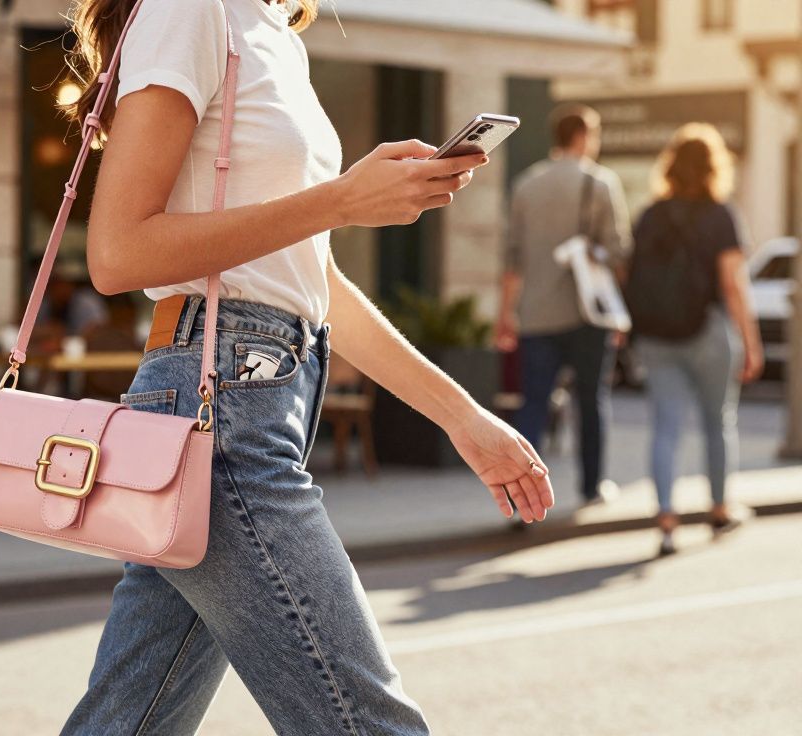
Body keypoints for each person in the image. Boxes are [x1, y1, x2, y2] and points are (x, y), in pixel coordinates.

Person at [57, 1, 554, 733]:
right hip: (219, 404)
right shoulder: (192, 9)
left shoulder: (273, 33)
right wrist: (343, 200)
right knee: (368, 722)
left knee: (131, 722)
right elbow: (118, 252)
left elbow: (312, 285)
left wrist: (464, 417)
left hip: (258, 392)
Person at [626, 124, 763, 556]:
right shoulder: (720, 214)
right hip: (707, 330)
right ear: (713, 167)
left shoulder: (650, 214)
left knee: (665, 427)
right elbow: (733, 284)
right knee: (717, 422)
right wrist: (750, 340)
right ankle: (720, 508)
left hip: (656, 336)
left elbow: (629, 275)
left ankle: (666, 517)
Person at [496, 103, 631, 508]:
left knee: (533, 405)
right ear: (583, 136)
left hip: (536, 315)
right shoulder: (601, 182)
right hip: (587, 314)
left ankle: (522, 497)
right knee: (590, 403)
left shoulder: (526, 185)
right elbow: (619, 251)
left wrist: (506, 315)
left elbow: (512, 259)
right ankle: (591, 489)